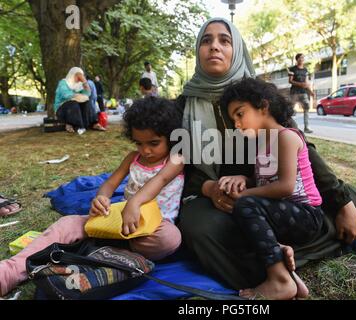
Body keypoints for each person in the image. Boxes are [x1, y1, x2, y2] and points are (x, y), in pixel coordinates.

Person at [177, 18, 356, 296]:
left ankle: (282, 256)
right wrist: (209, 187)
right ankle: (280, 268)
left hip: (267, 191)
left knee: (336, 200)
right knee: (200, 228)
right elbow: (178, 167)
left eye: (225, 40)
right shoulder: (183, 106)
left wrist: (343, 202)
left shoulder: (255, 96)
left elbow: (300, 150)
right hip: (215, 197)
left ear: (237, 51)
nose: (215, 47)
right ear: (197, 51)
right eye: (206, 41)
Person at [0, 97, 185, 297]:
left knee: (170, 238)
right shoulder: (133, 158)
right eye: (139, 143)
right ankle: (9, 272)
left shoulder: (175, 159)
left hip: (151, 228)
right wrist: (102, 198)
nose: (145, 150)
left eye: (154, 143)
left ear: (171, 137)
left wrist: (135, 202)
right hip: (118, 219)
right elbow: (109, 184)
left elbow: (160, 180)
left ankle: (102, 249)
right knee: (67, 224)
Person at [217, 78, 322, 299]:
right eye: (232, 118)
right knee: (236, 222)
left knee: (245, 205)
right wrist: (243, 179)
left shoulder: (286, 137)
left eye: (240, 113)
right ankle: (290, 274)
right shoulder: (262, 144)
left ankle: (280, 281)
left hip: (306, 215)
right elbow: (265, 183)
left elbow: (284, 186)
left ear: (263, 107)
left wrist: (244, 195)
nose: (236, 123)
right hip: (281, 213)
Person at [54, 67, 105, 135]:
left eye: (80, 76)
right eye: (77, 76)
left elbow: (87, 94)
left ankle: (94, 123)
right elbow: (66, 95)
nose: (79, 78)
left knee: (87, 102)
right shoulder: (63, 83)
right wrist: (77, 96)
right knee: (73, 103)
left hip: (76, 108)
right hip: (62, 109)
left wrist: (84, 82)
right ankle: (71, 124)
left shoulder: (79, 85)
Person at [288, 53, 314, 134]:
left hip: (303, 93)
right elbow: (290, 80)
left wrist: (310, 91)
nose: (302, 59)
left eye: (303, 57)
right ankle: (287, 126)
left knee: (306, 108)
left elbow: (306, 82)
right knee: (290, 110)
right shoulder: (292, 69)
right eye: (300, 58)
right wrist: (300, 84)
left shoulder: (305, 70)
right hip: (294, 93)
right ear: (297, 59)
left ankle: (306, 127)